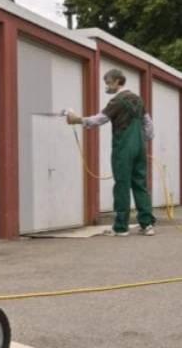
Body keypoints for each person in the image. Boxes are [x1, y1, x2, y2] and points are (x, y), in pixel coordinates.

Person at [66, 68, 156, 236]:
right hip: (140, 148)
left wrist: (77, 119)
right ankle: (147, 225)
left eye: (108, 83)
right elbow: (148, 125)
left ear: (117, 81)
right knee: (140, 184)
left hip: (123, 148)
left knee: (122, 185)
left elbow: (100, 119)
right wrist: (142, 141)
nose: (106, 86)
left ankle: (121, 228)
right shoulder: (138, 99)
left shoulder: (117, 101)